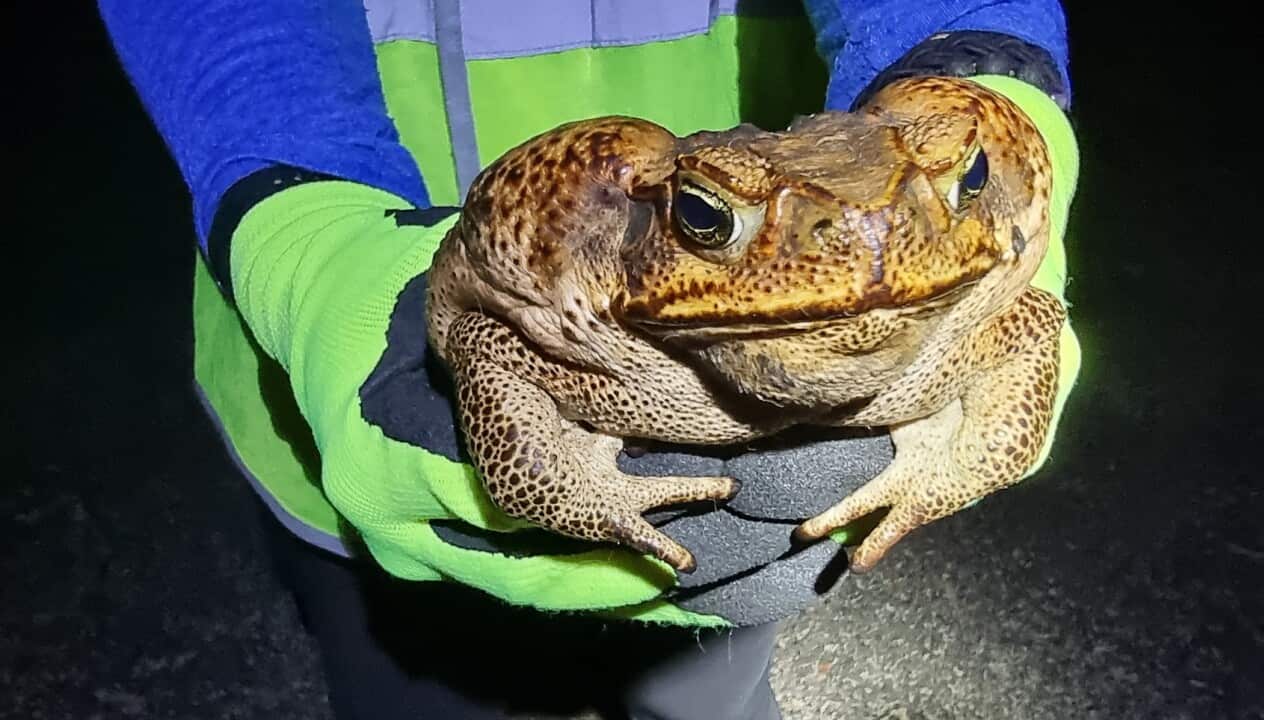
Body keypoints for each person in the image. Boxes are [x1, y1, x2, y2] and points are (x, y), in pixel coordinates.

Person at [96, 1, 1080, 718]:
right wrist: (304, 231)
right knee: (414, 682)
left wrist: (975, 61)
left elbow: (1024, 332)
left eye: (958, 186)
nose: (860, 249)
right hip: (357, 353)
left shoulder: (934, 282)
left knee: (710, 673)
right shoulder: (597, 351)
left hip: (780, 196)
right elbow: (485, 343)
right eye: (707, 221)